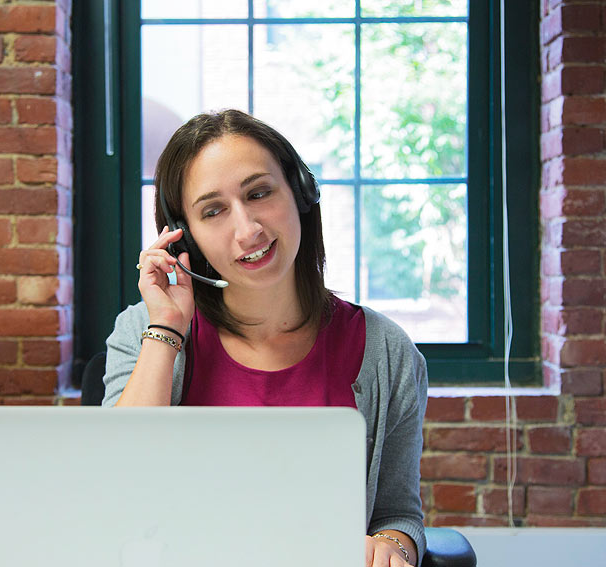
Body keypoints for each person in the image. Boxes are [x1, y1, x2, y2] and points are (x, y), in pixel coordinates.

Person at [102, 109, 428, 567]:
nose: (248, 229)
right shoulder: (144, 331)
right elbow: (114, 490)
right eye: (213, 211)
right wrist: (167, 329)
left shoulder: (386, 352)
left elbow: (398, 514)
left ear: (300, 193)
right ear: (184, 239)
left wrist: (392, 547)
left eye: (259, 193)